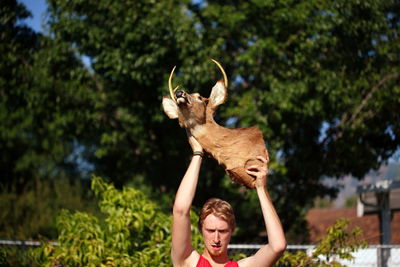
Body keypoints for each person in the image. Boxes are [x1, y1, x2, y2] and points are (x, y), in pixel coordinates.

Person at [171, 132, 287, 267]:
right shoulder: (187, 261)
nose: (216, 239)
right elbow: (180, 210)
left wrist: (261, 189)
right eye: (210, 230)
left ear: (232, 230)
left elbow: (278, 246)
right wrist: (198, 153)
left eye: (222, 231)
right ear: (201, 229)